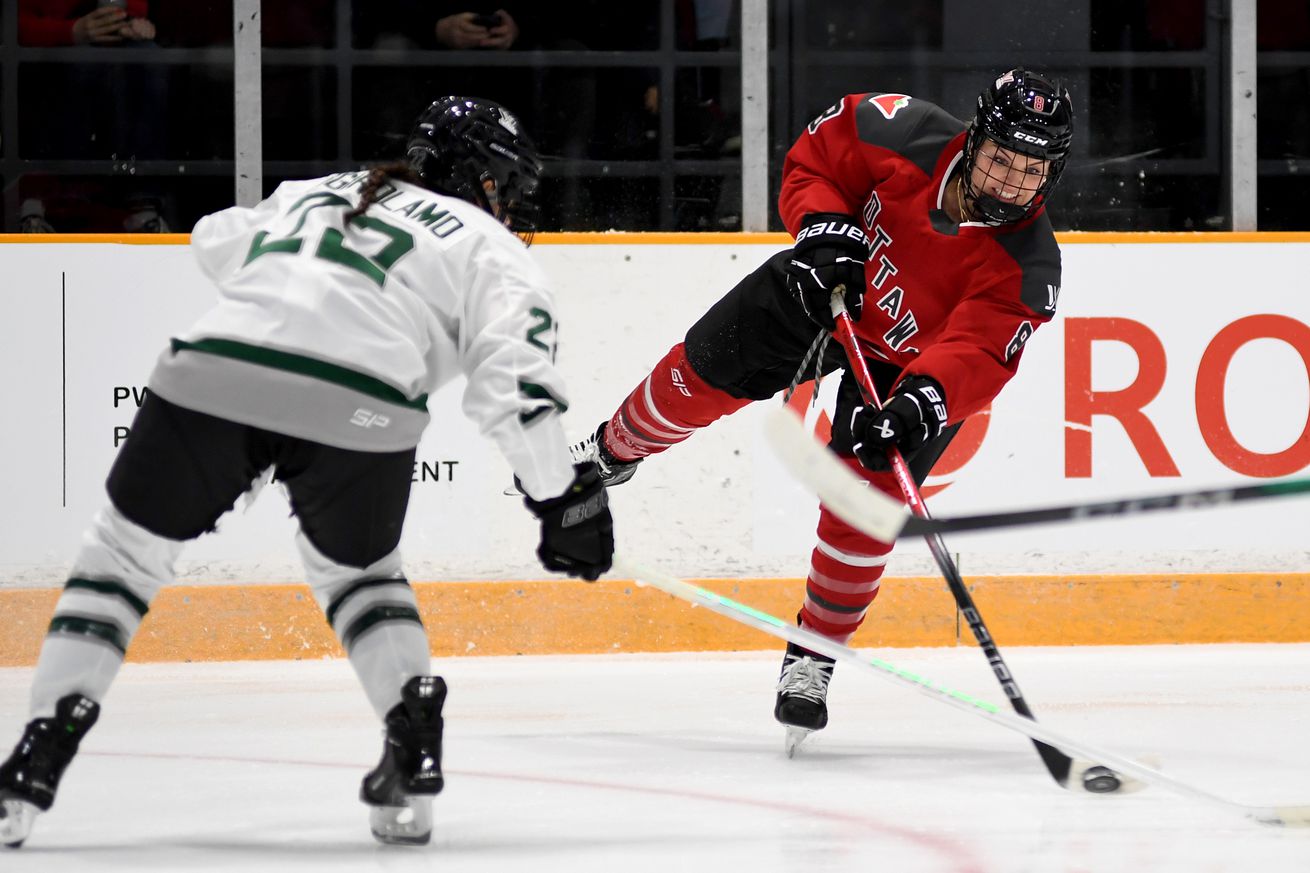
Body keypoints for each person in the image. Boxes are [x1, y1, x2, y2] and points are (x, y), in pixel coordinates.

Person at [0, 96, 614, 848]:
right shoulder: (494, 250)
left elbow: (214, 238)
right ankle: (411, 735)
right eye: (507, 188)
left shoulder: (319, 189)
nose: (511, 205)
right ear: (481, 178)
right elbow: (515, 390)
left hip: (215, 369)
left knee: (121, 559)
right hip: (366, 407)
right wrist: (564, 498)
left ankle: (38, 752)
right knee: (363, 576)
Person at [570, 69, 1072, 750]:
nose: (1013, 181)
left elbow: (978, 354)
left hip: (907, 365)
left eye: (1032, 169)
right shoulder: (901, 129)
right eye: (1003, 158)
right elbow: (818, 154)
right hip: (826, 288)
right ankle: (613, 450)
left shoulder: (1029, 264)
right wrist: (824, 225)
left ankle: (813, 650)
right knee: (701, 373)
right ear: (975, 135)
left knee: (863, 504)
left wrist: (920, 404)